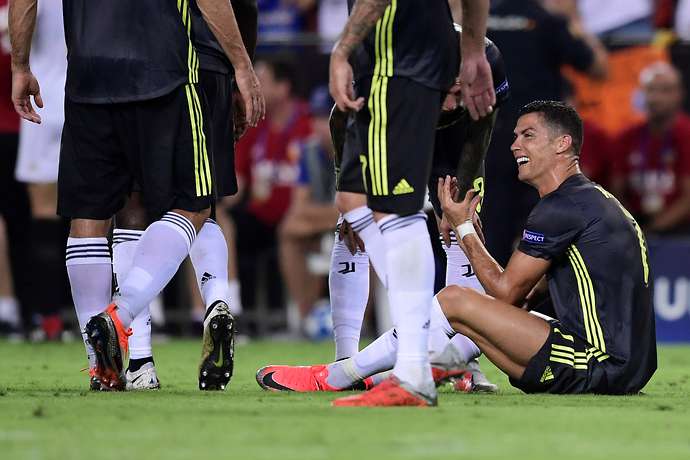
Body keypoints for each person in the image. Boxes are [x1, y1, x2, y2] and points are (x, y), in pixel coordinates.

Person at [9, 0, 264, 391]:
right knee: (196, 205)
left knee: (92, 215)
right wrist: (244, 67)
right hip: (170, 69)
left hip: (88, 75)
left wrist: (20, 65)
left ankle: (110, 367)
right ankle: (133, 316)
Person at [257, 0, 496, 407]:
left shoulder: (476, 63)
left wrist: (342, 48)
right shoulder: (472, 53)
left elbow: (483, 124)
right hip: (399, 65)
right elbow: (340, 118)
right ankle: (408, 352)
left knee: (397, 213)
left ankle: (416, 361)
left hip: (401, 64)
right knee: (352, 203)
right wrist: (473, 49)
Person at [434, 101, 656, 395]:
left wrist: (463, 226)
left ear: (562, 144)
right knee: (475, 317)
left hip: (596, 364)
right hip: (629, 368)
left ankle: (399, 368)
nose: (515, 145)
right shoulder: (595, 200)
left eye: (528, 135)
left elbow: (504, 292)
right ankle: (438, 364)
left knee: (454, 300)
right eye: (515, 136)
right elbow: (524, 297)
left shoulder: (560, 207)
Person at [112, 0, 259, 392]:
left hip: (139, 68)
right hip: (210, 68)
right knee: (200, 204)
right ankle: (216, 302)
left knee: (133, 206)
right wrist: (241, 71)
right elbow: (245, 8)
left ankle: (138, 357)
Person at [482, 0, 607, 267]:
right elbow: (598, 68)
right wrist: (574, 21)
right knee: (547, 229)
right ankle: (543, 291)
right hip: (541, 141)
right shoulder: (548, 21)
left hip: (493, 139)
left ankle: (495, 291)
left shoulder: (483, 21)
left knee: (494, 230)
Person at [13, 0, 68, 341]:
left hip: (42, 101)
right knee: (98, 214)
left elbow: (20, 14)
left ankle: (49, 321)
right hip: (88, 101)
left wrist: (18, 64)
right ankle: (101, 316)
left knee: (44, 216)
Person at [278, 86, 339, 331]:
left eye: (325, 117)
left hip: (356, 229)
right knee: (288, 231)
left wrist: (341, 214)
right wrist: (336, 216)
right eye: (315, 118)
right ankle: (307, 319)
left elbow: (364, 208)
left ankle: (362, 324)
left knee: (363, 231)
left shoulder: (357, 150)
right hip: (330, 224)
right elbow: (298, 209)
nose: (319, 125)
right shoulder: (308, 151)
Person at [611, 62, 690, 234]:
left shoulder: (687, 135)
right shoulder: (626, 137)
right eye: (650, 90)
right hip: (636, 226)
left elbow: (688, 199)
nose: (656, 98)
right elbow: (616, 192)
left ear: (680, 94)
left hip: (682, 233)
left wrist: (652, 230)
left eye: (665, 90)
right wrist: (633, 227)